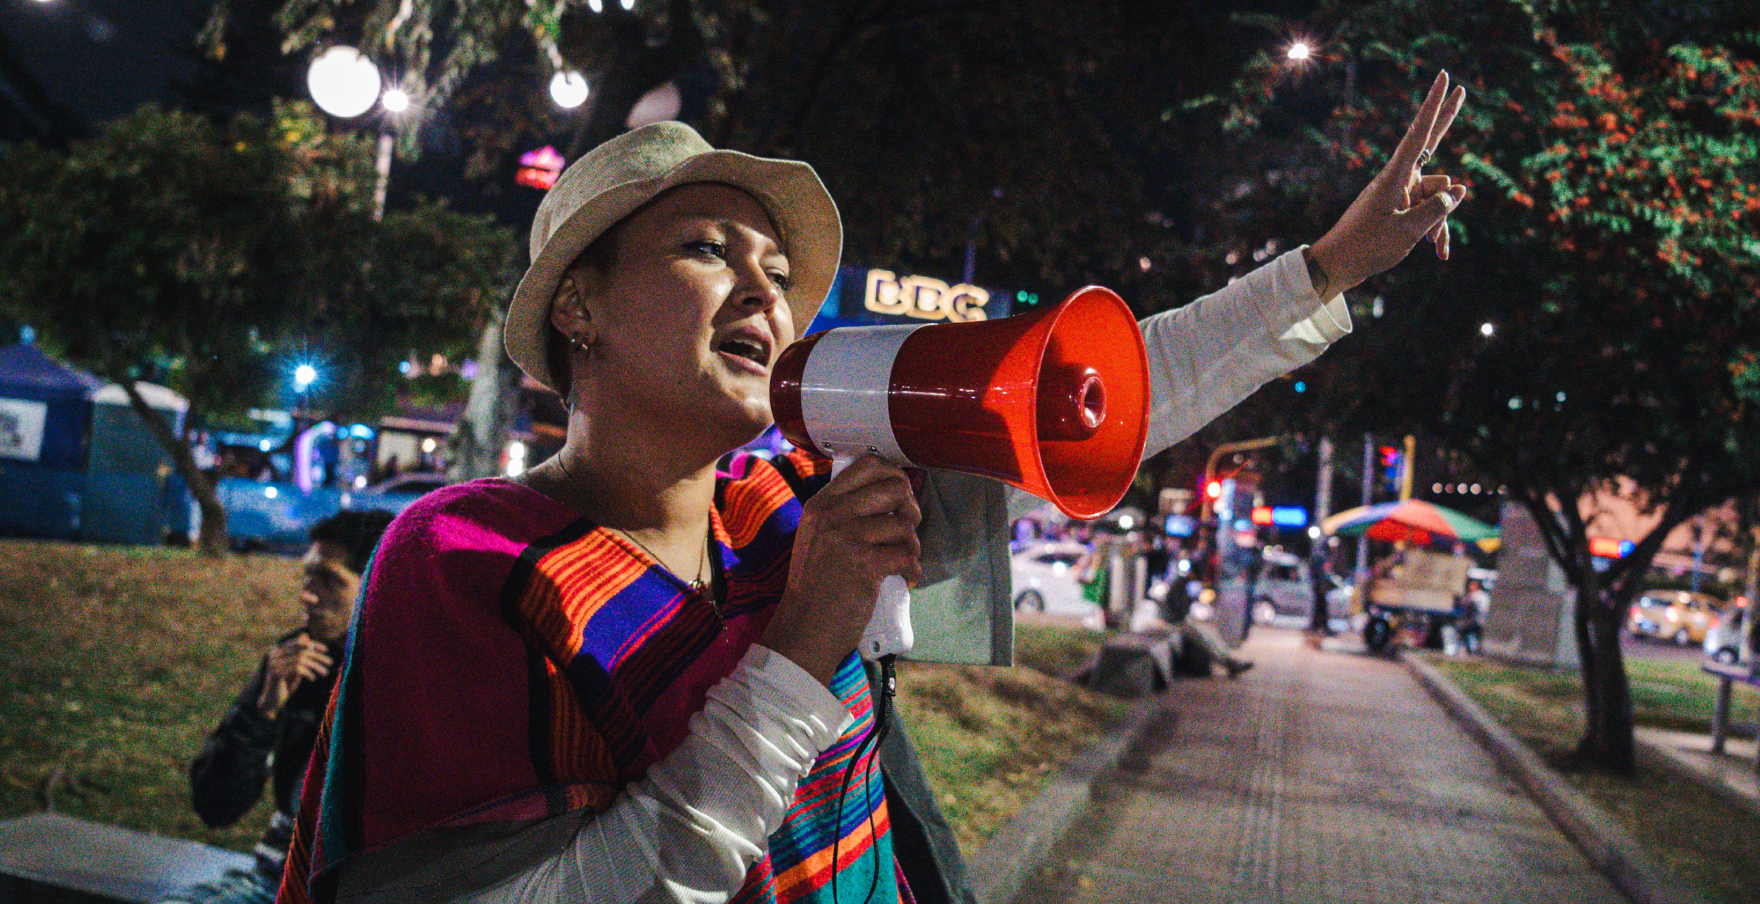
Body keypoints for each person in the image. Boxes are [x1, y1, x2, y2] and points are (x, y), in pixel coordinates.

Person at [279, 71, 1468, 904]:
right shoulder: (465, 557)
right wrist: (800, 645)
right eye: (707, 250)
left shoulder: (794, 494)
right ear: (575, 306)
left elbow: (1094, 396)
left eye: (779, 271)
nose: (766, 293)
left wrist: (1326, 270)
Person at [157, 511, 394, 904]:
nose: (307, 593)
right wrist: (262, 711)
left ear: (379, 586)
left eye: (330, 580)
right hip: (272, 880)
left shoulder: (409, 680)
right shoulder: (296, 661)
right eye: (308, 575)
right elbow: (216, 806)